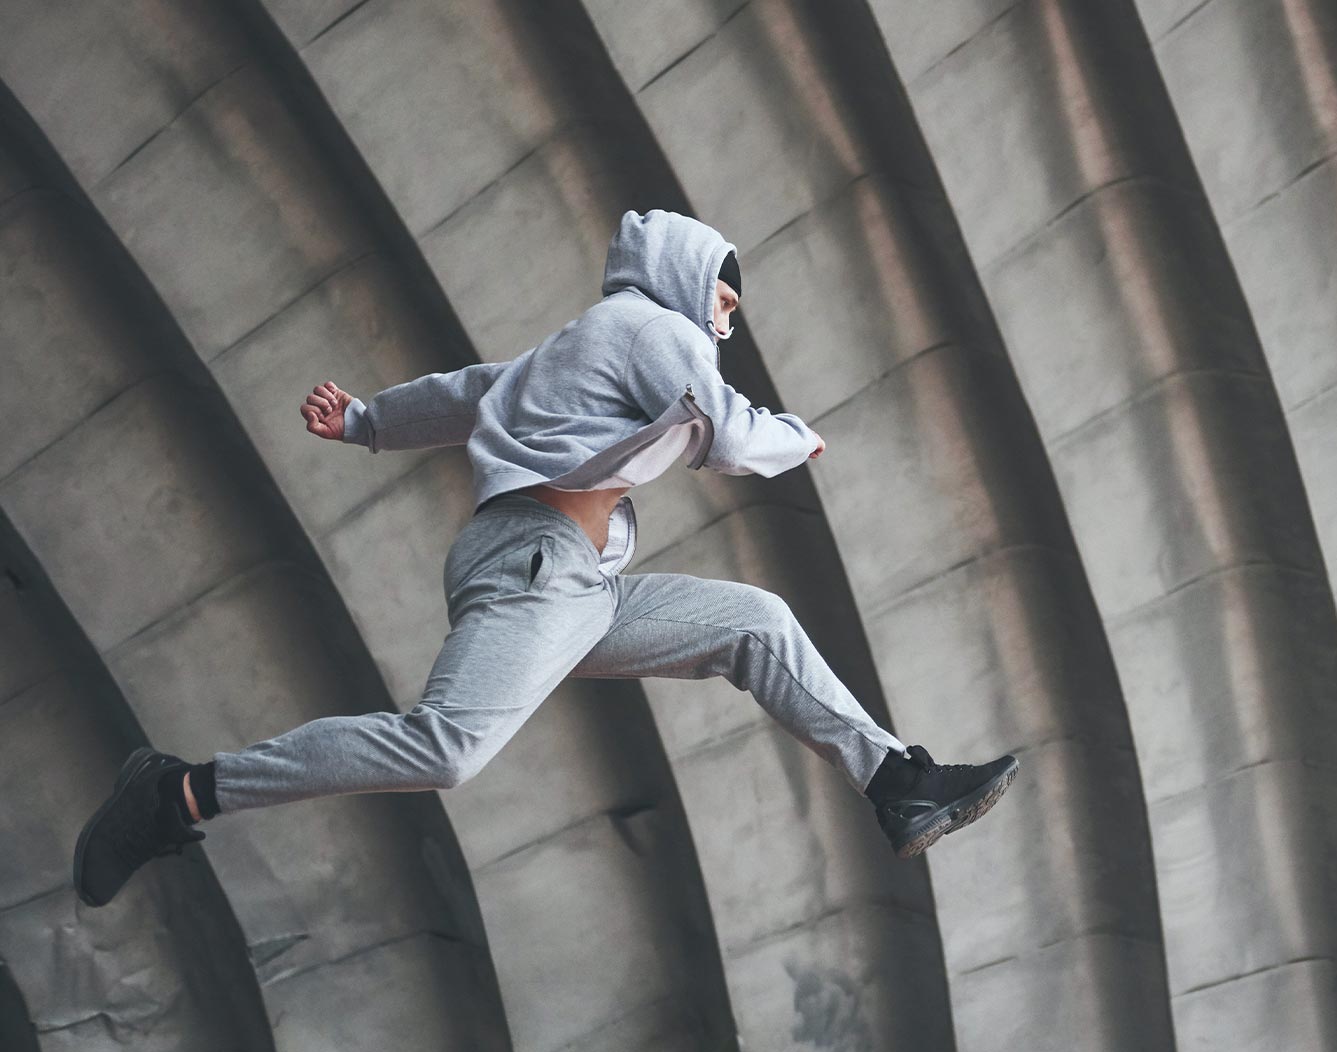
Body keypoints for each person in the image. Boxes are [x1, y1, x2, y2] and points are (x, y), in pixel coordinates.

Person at [73, 208, 1019, 908]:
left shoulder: (583, 343)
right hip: (535, 565)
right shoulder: (654, 328)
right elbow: (731, 439)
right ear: (687, 281)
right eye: (722, 299)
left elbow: (474, 391)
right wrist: (796, 435)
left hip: (583, 585)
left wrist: (368, 421)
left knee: (756, 624)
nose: (725, 323)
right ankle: (180, 790)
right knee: (446, 749)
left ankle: (897, 783)